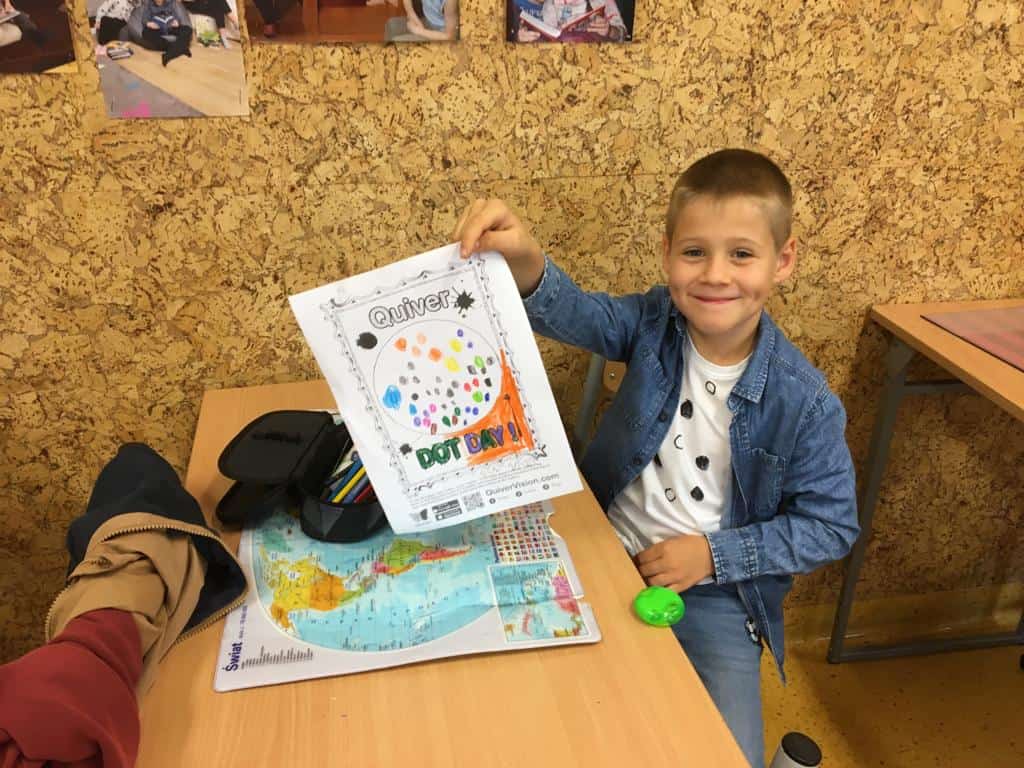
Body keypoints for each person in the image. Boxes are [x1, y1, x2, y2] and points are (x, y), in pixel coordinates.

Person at [453, 149, 860, 768]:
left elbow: (831, 525)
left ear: (783, 261)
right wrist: (526, 261)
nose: (715, 275)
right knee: (535, 718)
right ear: (668, 253)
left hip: (715, 593)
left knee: (724, 753)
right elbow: (579, 313)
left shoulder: (804, 402)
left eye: (742, 254)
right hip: (601, 551)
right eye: (695, 252)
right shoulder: (652, 322)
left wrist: (713, 556)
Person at [140, 0, 192, 65]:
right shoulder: (149, 5)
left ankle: (168, 55)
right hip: (158, 28)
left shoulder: (169, 3)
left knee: (188, 29)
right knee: (145, 33)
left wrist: (176, 22)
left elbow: (176, 16)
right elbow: (144, 20)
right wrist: (149, 24)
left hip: (170, 27)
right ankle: (181, 48)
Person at [384, 0, 458, 42]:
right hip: (428, 21)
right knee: (391, 24)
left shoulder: (451, 2)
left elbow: (450, 36)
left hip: (443, 33)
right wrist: (410, 13)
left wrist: (418, 31)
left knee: (396, 41)